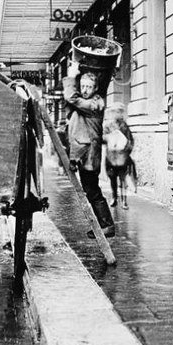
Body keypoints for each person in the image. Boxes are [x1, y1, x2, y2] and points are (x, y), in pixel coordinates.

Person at [63, 61, 115, 238]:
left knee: (92, 191)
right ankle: (104, 225)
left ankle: (107, 225)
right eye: (83, 86)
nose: (85, 90)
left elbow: (71, 98)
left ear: (95, 89)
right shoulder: (89, 102)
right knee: (91, 190)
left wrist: (71, 76)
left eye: (89, 87)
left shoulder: (94, 105)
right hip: (85, 155)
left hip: (89, 156)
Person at [103, 103, 136, 209]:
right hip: (111, 157)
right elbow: (103, 139)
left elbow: (130, 140)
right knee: (113, 179)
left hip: (122, 157)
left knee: (123, 179)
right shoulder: (108, 126)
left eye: (119, 112)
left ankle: (124, 200)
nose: (117, 114)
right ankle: (114, 198)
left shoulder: (124, 126)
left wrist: (126, 150)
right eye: (115, 112)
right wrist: (108, 139)